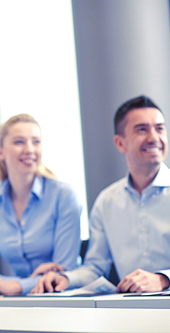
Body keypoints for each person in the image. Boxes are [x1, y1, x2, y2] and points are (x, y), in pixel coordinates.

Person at [31, 95, 170, 294]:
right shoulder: (107, 202)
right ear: (120, 143)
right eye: (142, 129)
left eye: (160, 128)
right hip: (130, 312)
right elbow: (95, 268)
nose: (154, 138)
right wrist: (65, 279)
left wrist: (163, 279)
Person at [0, 114, 81, 295]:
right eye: (19, 142)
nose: (30, 149)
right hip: (20, 302)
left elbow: (63, 272)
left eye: (36, 142)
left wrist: (15, 286)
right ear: (0, 152)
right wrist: (23, 283)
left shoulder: (64, 195)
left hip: (63, 298)